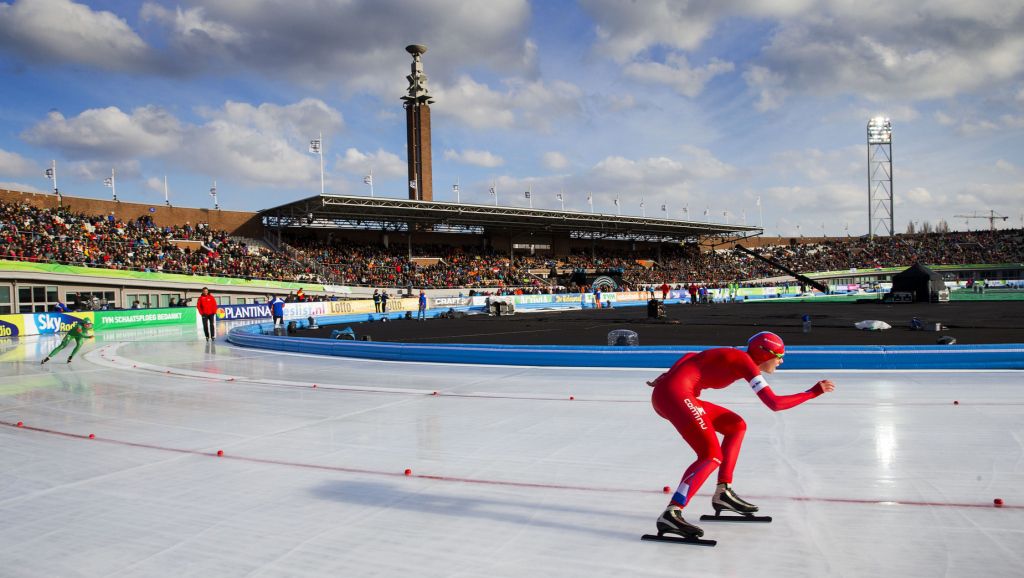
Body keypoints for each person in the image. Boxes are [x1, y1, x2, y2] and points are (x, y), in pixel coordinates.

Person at [646, 331, 836, 539]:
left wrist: (667, 375)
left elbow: (691, 355)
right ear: (764, 353)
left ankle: (723, 492)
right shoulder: (744, 361)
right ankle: (673, 512)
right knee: (711, 455)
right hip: (675, 395)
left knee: (736, 425)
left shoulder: (741, 359)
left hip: (674, 394)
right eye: (779, 355)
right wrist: (813, 392)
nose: (781, 361)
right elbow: (774, 403)